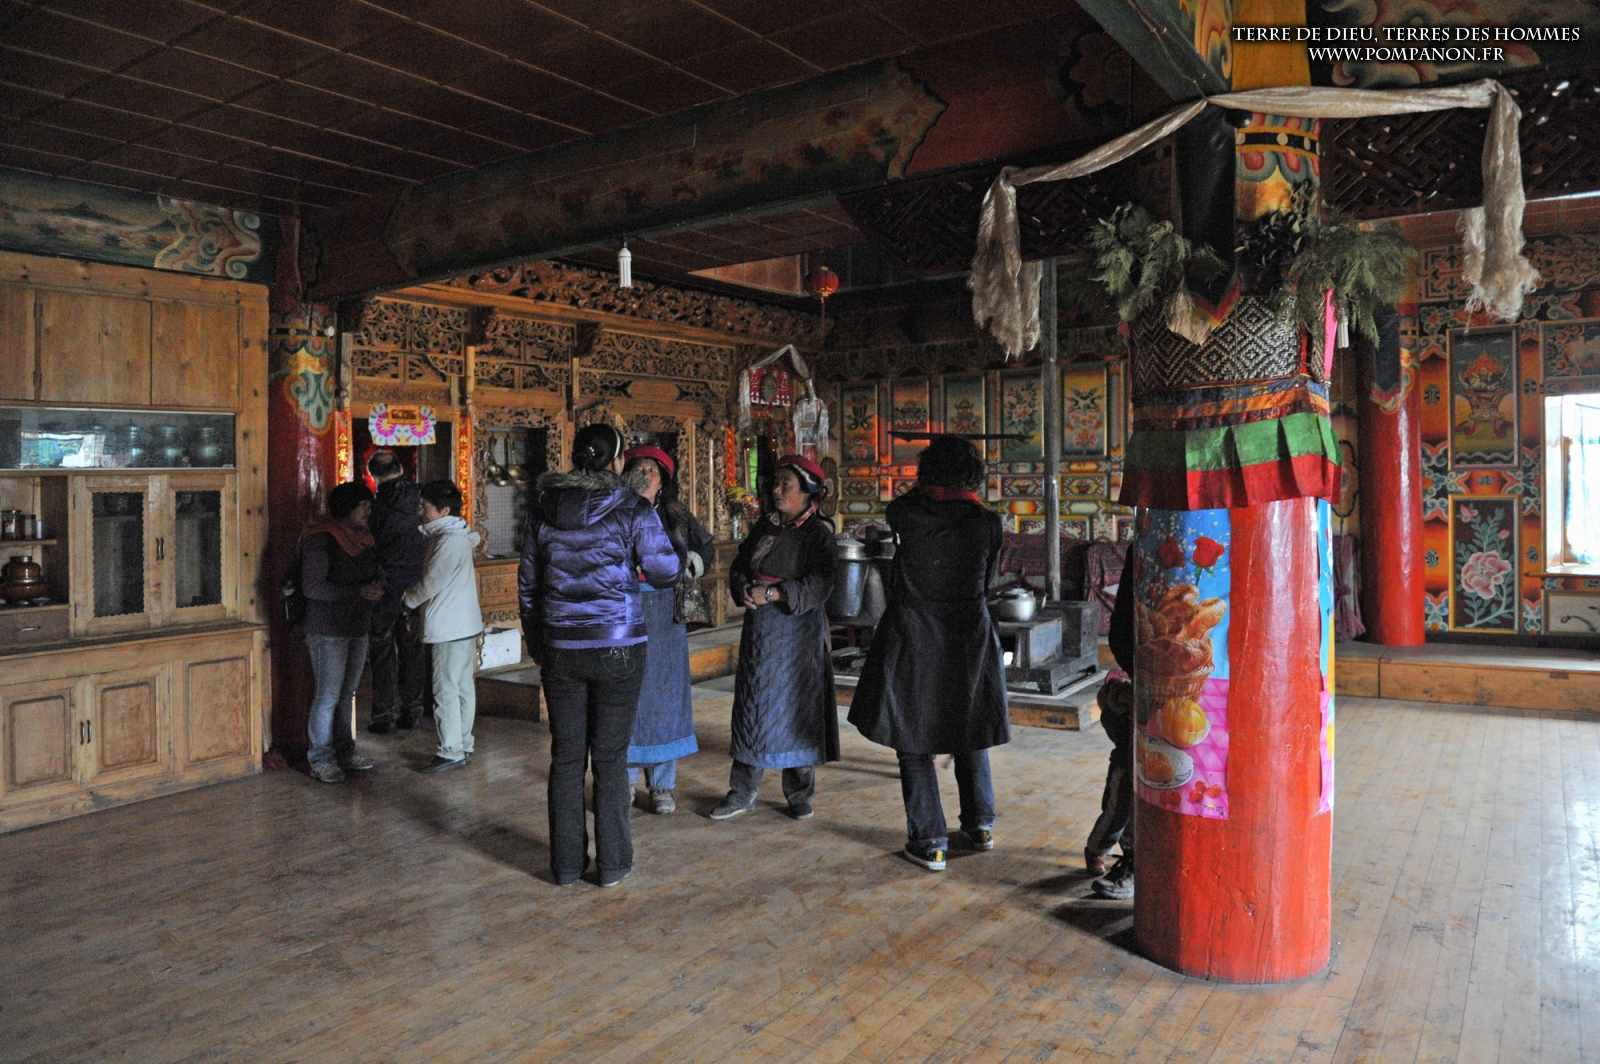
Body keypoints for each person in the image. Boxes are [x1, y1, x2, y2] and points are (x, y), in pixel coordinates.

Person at [519, 423, 680, 887]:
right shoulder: (632, 508)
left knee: (567, 757)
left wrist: (540, 643)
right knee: (610, 758)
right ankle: (612, 865)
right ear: (616, 461)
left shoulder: (543, 510)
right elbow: (665, 570)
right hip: (618, 644)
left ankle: (567, 865)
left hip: (561, 647)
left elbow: (528, 586)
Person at [848, 436, 1008, 871]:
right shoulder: (987, 523)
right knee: (969, 727)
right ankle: (980, 825)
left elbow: (900, 506)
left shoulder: (905, 514)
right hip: (968, 634)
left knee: (913, 737)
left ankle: (930, 841)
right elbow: (988, 582)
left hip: (914, 633)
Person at [711, 454, 838, 822]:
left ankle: (799, 792)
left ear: (808, 492)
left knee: (798, 707)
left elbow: (822, 582)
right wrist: (744, 589)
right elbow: (740, 565)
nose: (777, 490)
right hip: (761, 633)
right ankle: (742, 790)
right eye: (776, 482)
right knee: (753, 705)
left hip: (798, 636)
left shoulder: (818, 534)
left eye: (787, 484)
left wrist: (775, 593)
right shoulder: (765, 527)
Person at [621, 445, 711, 815]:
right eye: (638, 468)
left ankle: (662, 785)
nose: (644, 475)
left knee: (665, 697)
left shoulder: (675, 513)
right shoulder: (615, 511)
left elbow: (704, 547)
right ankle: (623, 782)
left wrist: (692, 561)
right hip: (625, 610)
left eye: (652, 470)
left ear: (663, 480)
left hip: (665, 613)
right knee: (626, 696)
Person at [301, 482, 385, 784]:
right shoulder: (320, 538)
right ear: (347, 507)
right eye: (363, 505)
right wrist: (358, 592)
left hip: (357, 625)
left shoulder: (365, 538)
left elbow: (374, 572)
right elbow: (313, 587)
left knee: (348, 694)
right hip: (327, 629)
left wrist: (378, 586)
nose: (368, 511)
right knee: (327, 696)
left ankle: (345, 751)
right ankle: (320, 758)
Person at [403, 480, 484, 773]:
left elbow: (431, 582)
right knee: (461, 687)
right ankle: (463, 743)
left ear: (444, 510)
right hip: (462, 624)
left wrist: (407, 600)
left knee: (446, 689)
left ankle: (451, 750)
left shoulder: (448, 541)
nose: (421, 511)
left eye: (425, 506)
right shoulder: (454, 537)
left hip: (450, 626)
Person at [365, 449, 429, 734]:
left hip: (384, 587)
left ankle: (383, 715)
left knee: (382, 652)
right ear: (401, 468)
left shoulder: (375, 507)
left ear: (373, 475)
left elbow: (370, 548)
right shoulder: (422, 500)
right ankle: (413, 711)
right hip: (417, 584)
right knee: (412, 650)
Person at [1086, 541, 1137, 899]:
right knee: (1128, 782)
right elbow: (1122, 633)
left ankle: (1105, 848)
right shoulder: (1147, 549)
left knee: (1128, 780)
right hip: (1145, 685)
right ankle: (1121, 856)